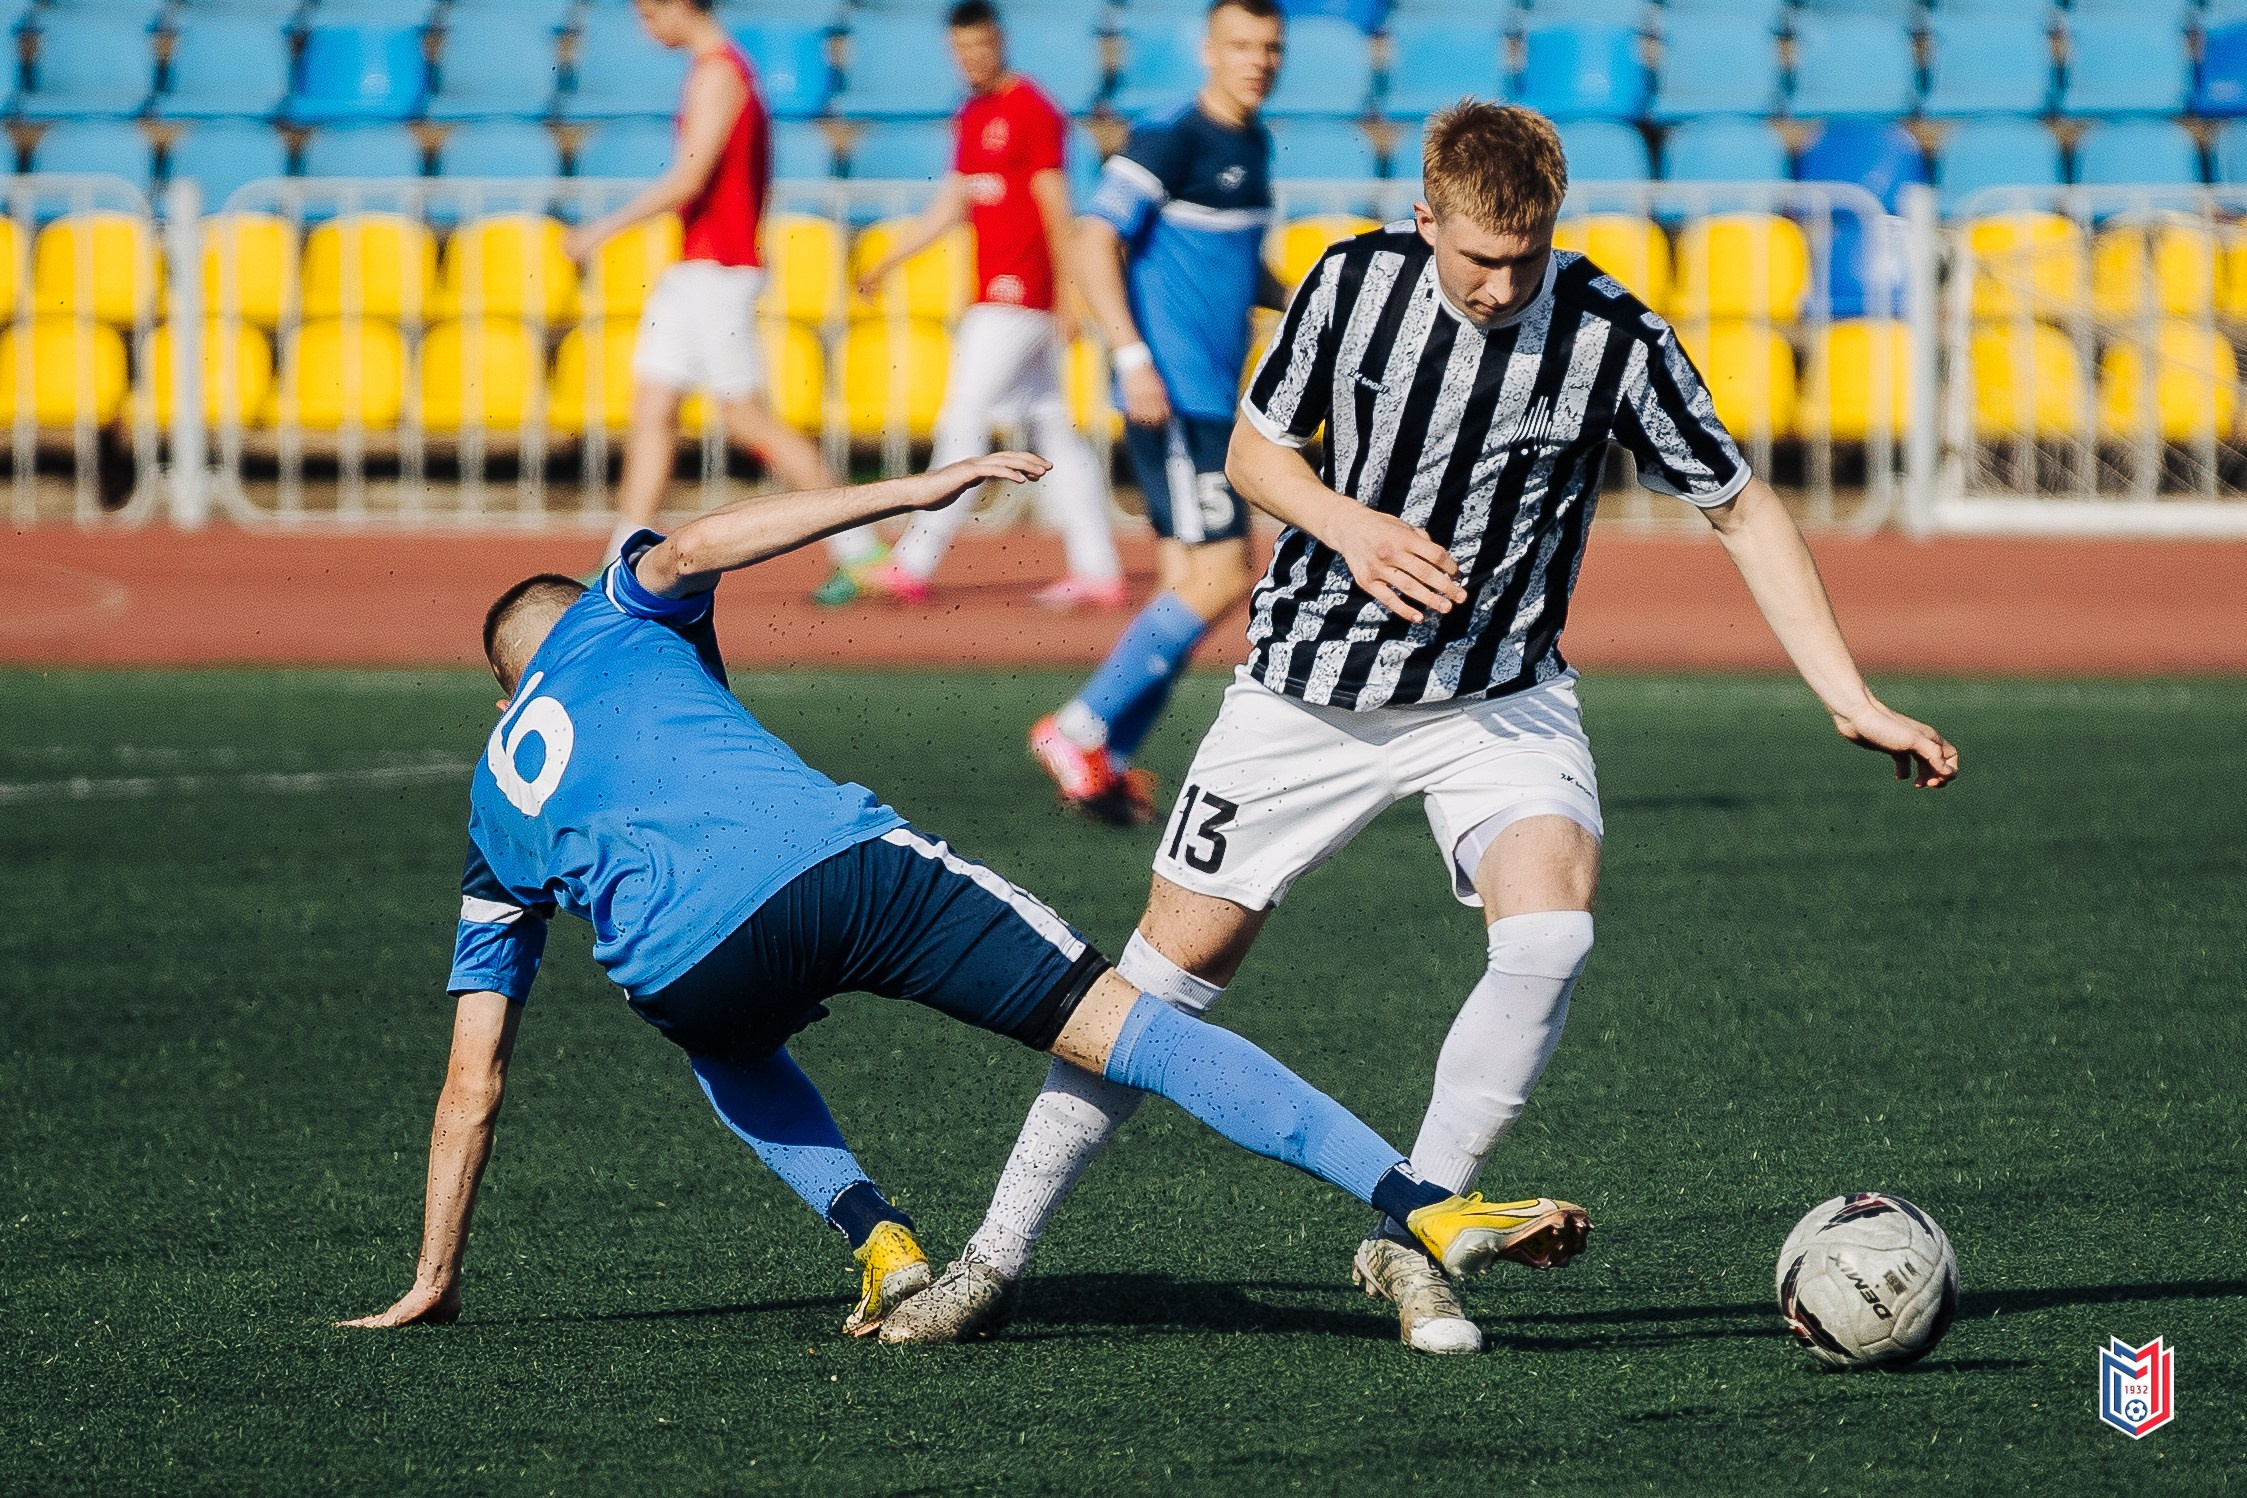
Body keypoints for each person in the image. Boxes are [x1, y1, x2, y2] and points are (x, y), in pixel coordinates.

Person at [884, 103, 1960, 1354]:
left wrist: (1849, 695)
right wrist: (1351, 526)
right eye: (1478, 260)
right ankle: (994, 1254)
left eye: (1527, 257)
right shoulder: (1351, 286)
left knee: (1551, 929)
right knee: (1162, 981)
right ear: (1425, 221)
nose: (1503, 286)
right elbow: (1256, 456)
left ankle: (1415, 1231)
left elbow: (1743, 506)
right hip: (1304, 694)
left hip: (1499, 697)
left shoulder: (1613, 334)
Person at [337, 451, 1590, 1343]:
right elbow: (699, 544)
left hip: (687, 970)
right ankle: (1426, 1205)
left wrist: (436, 1272)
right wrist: (913, 491)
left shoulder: (491, 813)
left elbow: (471, 1082)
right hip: (841, 869)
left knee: (723, 1047)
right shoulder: (615, 608)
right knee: (1132, 1024)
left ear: (503, 697)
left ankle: (878, 1238)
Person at [1025, 0, 1287, 825]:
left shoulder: (1252, 142)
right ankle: (1078, 726)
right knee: (1223, 575)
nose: (1257, 60)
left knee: (1186, 585)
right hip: (1174, 395)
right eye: (1241, 45)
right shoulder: (1170, 137)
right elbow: (1090, 238)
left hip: (1208, 397)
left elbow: (1237, 266)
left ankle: (1106, 758)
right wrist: (1132, 356)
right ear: (1208, 50)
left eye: (1270, 47)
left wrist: (1308, 303)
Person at [560, 0, 884, 582]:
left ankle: (860, 550)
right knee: (654, 407)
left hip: (717, 270)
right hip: (695, 269)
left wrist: (600, 231)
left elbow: (690, 178)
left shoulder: (720, 73)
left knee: (745, 419)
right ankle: (619, 558)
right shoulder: (717, 70)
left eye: (650, 13)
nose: (646, 29)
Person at [819, 0, 1124, 612]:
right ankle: (1099, 569)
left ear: (999, 41)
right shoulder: (973, 112)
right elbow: (953, 202)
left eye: (980, 46)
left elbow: (1054, 203)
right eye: (960, 50)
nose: (971, 59)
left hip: (1021, 296)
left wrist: (1068, 291)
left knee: (964, 414)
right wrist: (890, 257)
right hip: (997, 296)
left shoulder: (1032, 109)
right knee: (1054, 432)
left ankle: (913, 561)